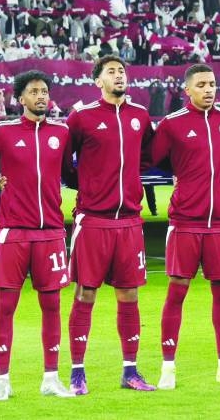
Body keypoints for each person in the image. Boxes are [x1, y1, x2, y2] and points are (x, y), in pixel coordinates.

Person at [150, 64, 220, 389]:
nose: (209, 90)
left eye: (212, 84)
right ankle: (168, 369)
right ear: (188, 90)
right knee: (176, 292)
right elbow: (157, 159)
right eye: (202, 85)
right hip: (185, 222)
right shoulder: (171, 124)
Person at [0, 71, 76, 400]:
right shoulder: (3, 132)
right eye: (34, 92)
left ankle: (51, 378)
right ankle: (2, 381)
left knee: (52, 306)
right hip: (13, 232)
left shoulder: (61, 133)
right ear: (20, 99)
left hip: (50, 232)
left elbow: (69, 174)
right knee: (6, 307)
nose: (41, 97)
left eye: (45, 91)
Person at [65, 56, 157, 395]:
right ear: (98, 81)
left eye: (122, 71)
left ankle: (130, 371)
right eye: (111, 72)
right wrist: (89, 185)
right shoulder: (82, 117)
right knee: (85, 293)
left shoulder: (140, 116)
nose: (119, 76)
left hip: (129, 220)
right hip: (93, 220)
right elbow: (64, 163)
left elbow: (147, 155)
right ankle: (77, 373)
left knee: (129, 294)